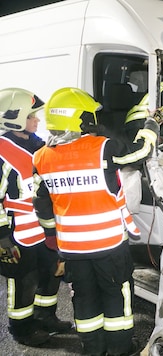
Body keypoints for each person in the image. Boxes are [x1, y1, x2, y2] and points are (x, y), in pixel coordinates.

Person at [31, 87, 158, 355]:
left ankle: (93, 349)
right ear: (78, 118)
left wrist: (53, 239)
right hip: (109, 246)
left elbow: (41, 204)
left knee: (85, 301)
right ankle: (121, 349)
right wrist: (151, 124)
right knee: (116, 300)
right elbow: (141, 152)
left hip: (73, 251)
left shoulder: (41, 157)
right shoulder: (101, 148)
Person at [0, 88, 73, 347]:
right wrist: (3, 237)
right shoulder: (2, 151)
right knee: (23, 280)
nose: (37, 121)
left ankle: (45, 316)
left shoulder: (37, 143)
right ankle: (21, 329)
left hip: (44, 226)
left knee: (50, 272)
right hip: (17, 230)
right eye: (32, 116)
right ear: (14, 117)